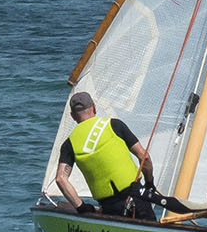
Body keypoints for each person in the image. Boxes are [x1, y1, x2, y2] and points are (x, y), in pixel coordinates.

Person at [53, 91, 157, 219]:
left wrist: (81, 207)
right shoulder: (114, 125)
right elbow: (144, 157)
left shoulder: (69, 144)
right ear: (94, 108)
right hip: (136, 198)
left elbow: (60, 179)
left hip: (109, 208)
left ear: (72, 116)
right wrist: (149, 183)